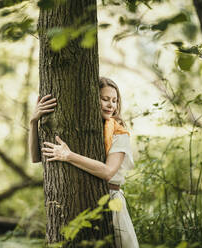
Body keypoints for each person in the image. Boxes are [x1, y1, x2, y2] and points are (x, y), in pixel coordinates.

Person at [29, 77, 139, 248]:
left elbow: (108, 172)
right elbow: (36, 158)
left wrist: (68, 155)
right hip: (79, 201)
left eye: (114, 100)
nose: (111, 105)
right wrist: (33, 121)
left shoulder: (119, 133)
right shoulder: (82, 129)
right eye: (105, 99)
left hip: (112, 203)